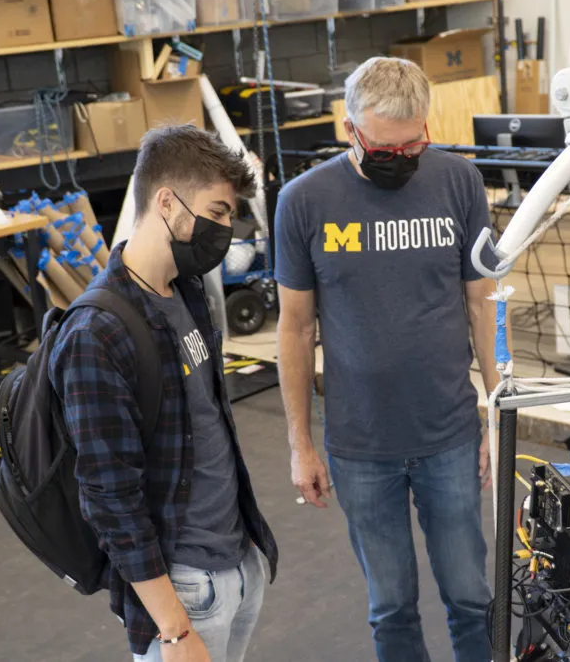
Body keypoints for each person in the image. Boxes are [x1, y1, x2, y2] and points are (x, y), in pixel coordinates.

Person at [274, 57, 500, 662]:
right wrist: (301, 445)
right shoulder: (303, 202)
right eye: (385, 148)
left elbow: (481, 304)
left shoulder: (459, 182)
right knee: (392, 606)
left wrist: (497, 411)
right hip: (360, 443)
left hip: (449, 432)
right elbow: (294, 329)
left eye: (413, 146)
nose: (401, 159)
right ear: (351, 129)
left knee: (471, 597)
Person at [50, 125, 278, 662]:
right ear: (166, 202)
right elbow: (109, 498)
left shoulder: (187, 291)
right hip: (183, 592)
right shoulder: (96, 334)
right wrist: (174, 630)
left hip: (235, 561)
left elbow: (207, 423)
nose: (225, 228)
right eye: (218, 212)